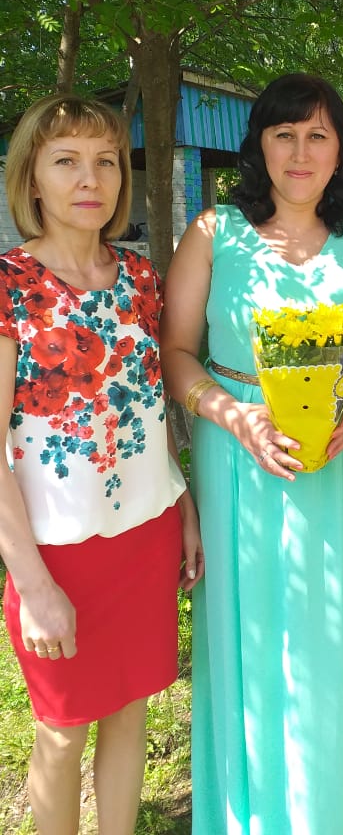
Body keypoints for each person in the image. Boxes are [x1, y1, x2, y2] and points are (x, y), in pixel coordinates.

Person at [160, 72, 343, 834]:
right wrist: (233, 416)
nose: (300, 152)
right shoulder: (214, 233)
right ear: (259, 146)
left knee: (337, 629)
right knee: (256, 637)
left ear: (341, 150)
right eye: (284, 134)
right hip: (240, 458)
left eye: (318, 136)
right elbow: (176, 352)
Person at [0, 94, 203, 835]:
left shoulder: (141, 278)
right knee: (61, 731)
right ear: (32, 179)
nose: (91, 178)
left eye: (106, 161)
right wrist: (33, 585)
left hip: (145, 536)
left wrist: (183, 506)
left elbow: (148, 409)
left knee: (130, 711)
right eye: (67, 161)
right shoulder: (9, 284)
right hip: (56, 551)